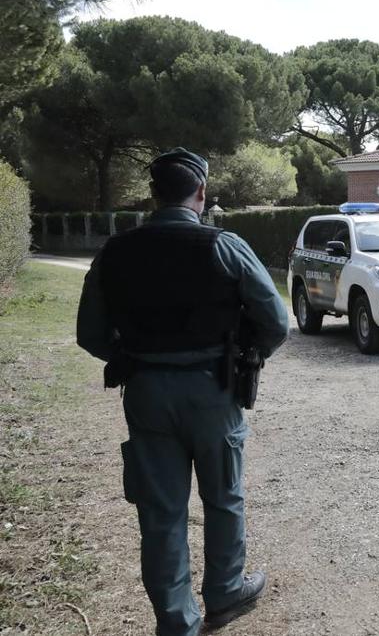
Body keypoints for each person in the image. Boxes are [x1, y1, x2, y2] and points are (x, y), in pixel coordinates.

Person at [76, 148, 289, 635]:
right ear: (202, 193)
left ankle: (177, 622)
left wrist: (135, 358)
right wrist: (248, 356)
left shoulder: (115, 251)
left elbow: (90, 334)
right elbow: (276, 323)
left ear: (154, 194)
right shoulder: (225, 245)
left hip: (147, 392)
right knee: (223, 498)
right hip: (215, 389)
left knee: (161, 512)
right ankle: (225, 593)